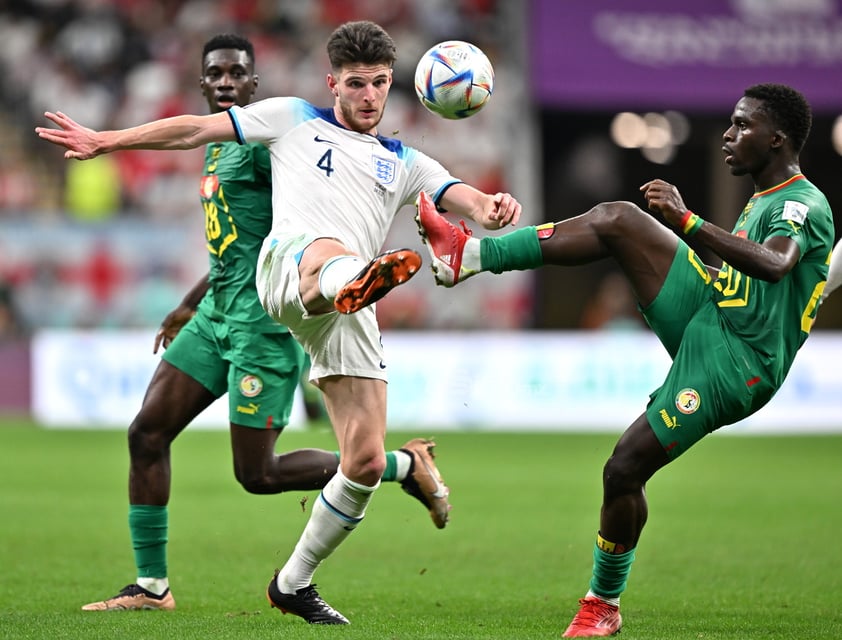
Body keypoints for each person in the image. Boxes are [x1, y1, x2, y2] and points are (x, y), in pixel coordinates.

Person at [38, 21, 521, 624]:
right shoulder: (292, 119)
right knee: (322, 259)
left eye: (378, 84)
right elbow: (192, 129)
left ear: (392, 85)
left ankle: (295, 581)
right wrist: (107, 141)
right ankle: (150, 582)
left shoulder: (406, 163)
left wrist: (495, 208)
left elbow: (467, 200)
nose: (369, 96)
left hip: (337, 311)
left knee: (362, 462)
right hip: (287, 274)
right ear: (332, 83)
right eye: (355, 84)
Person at [415, 83, 833, 637]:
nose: (729, 136)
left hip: (738, 361)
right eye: (729, 125)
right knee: (618, 218)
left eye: (741, 126)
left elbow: (777, 265)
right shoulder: (764, 197)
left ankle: (601, 605)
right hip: (713, 310)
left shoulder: (801, 203)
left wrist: (687, 221)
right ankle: (469, 255)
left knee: (623, 467)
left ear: (776, 138)